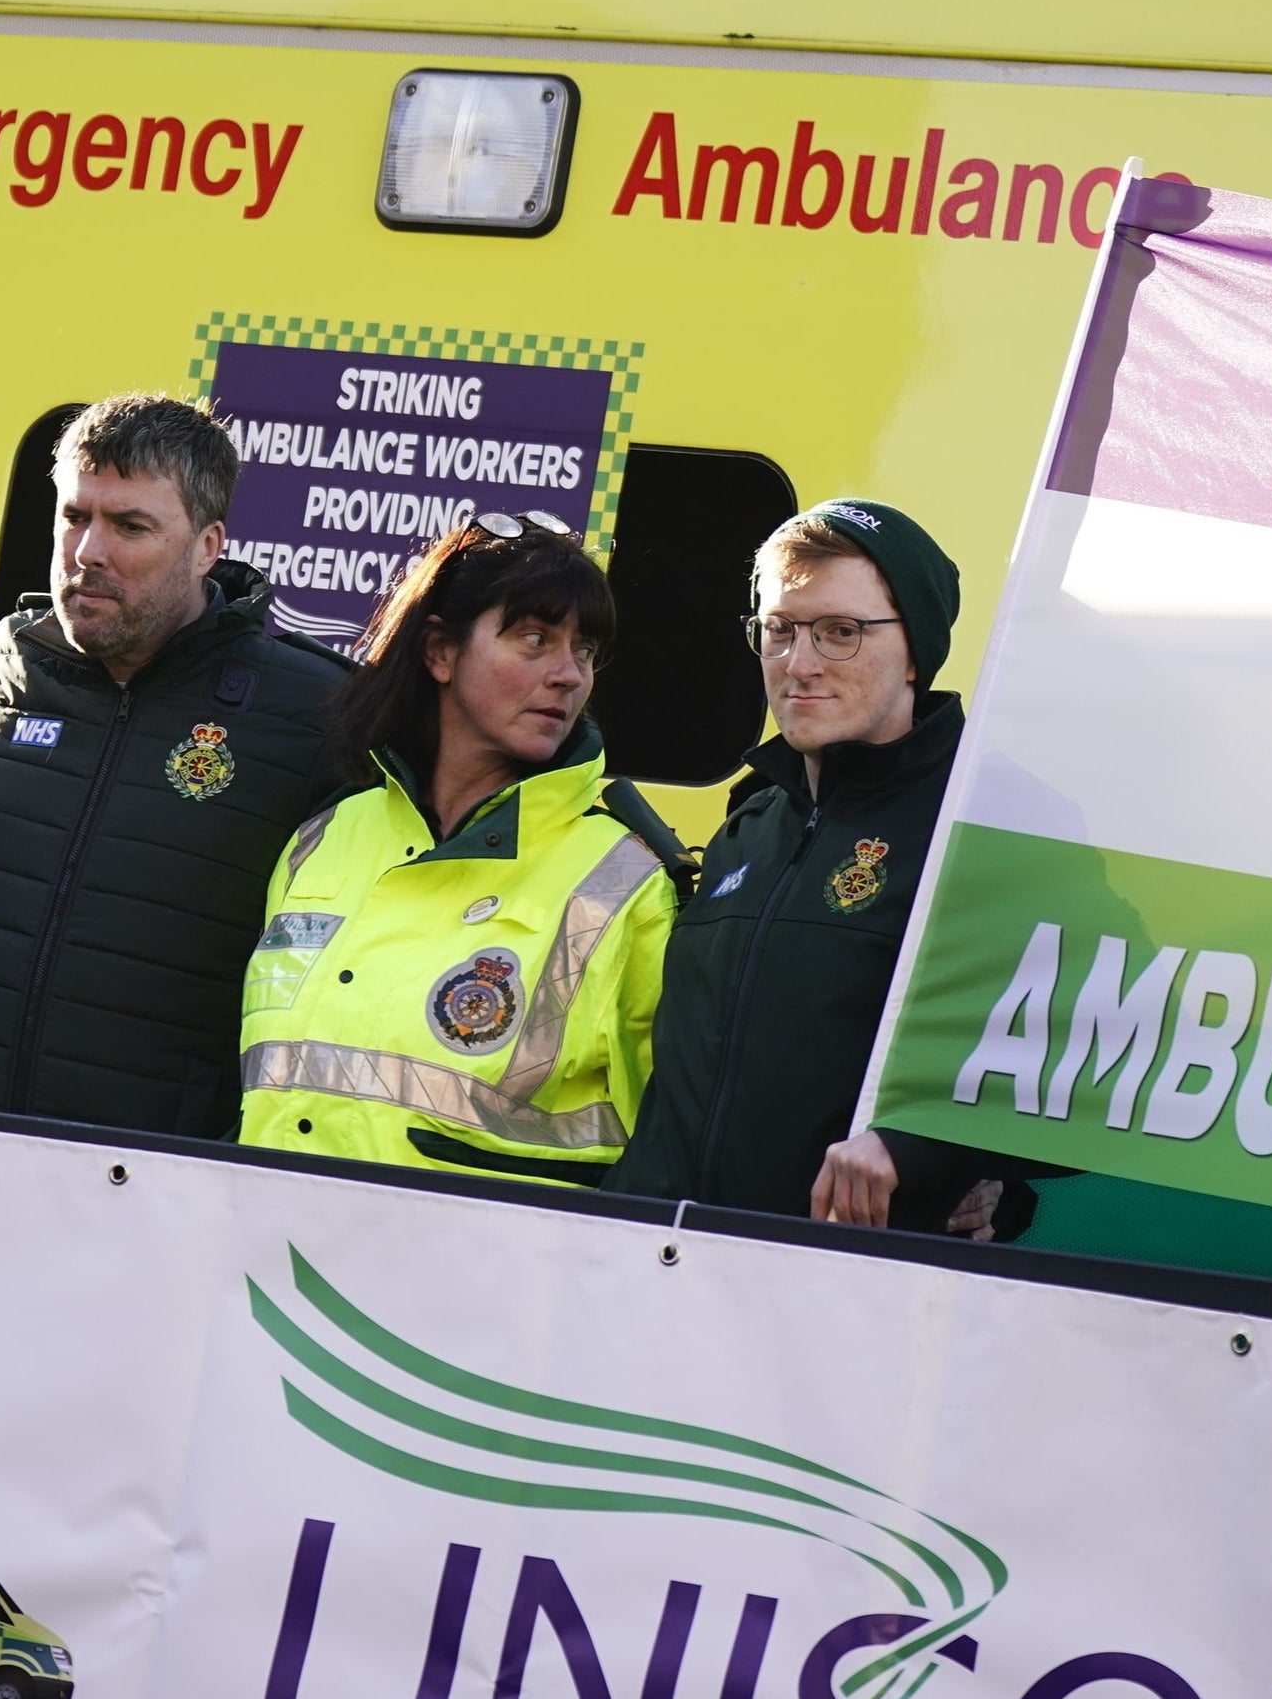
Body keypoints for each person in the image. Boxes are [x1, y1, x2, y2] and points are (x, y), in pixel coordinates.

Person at [0, 393, 350, 1135]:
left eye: (130, 525)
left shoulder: (314, 713)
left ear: (208, 546)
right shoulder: (0, 676)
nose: (88, 552)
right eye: (75, 516)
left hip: (156, 1186)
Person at [613, 498, 1027, 1234]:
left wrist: (927, 1154)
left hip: (836, 1285)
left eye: (841, 632)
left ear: (916, 651)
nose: (798, 664)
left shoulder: (989, 822)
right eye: (779, 630)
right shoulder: (750, 824)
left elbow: (1093, 1046)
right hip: (657, 1263)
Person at [236, 514, 679, 1182]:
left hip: (480, 1272)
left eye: (583, 649)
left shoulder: (626, 880)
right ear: (440, 652)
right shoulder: (322, 840)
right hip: (261, 1260)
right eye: (535, 639)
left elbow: (668, 1148)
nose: (568, 675)